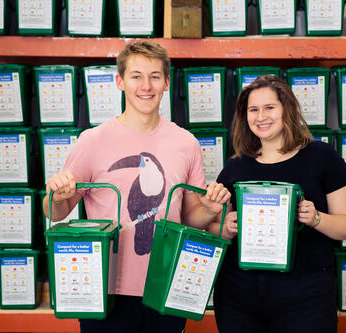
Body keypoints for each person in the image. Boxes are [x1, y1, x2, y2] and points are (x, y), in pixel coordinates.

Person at [43, 41, 231, 333]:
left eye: (155, 76)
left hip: (166, 285)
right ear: (120, 81)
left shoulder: (186, 143)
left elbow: (190, 216)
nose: (146, 85)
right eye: (136, 76)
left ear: (167, 82)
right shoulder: (91, 140)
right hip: (105, 289)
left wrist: (208, 210)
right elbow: (55, 212)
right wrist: (56, 195)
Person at [207, 75, 346, 333]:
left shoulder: (323, 158)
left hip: (306, 295)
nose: (260, 116)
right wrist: (224, 227)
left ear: (287, 109)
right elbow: (214, 228)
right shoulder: (236, 166)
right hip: (239, 296)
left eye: (269, 108)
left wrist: (316, 218)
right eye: (253, 110)